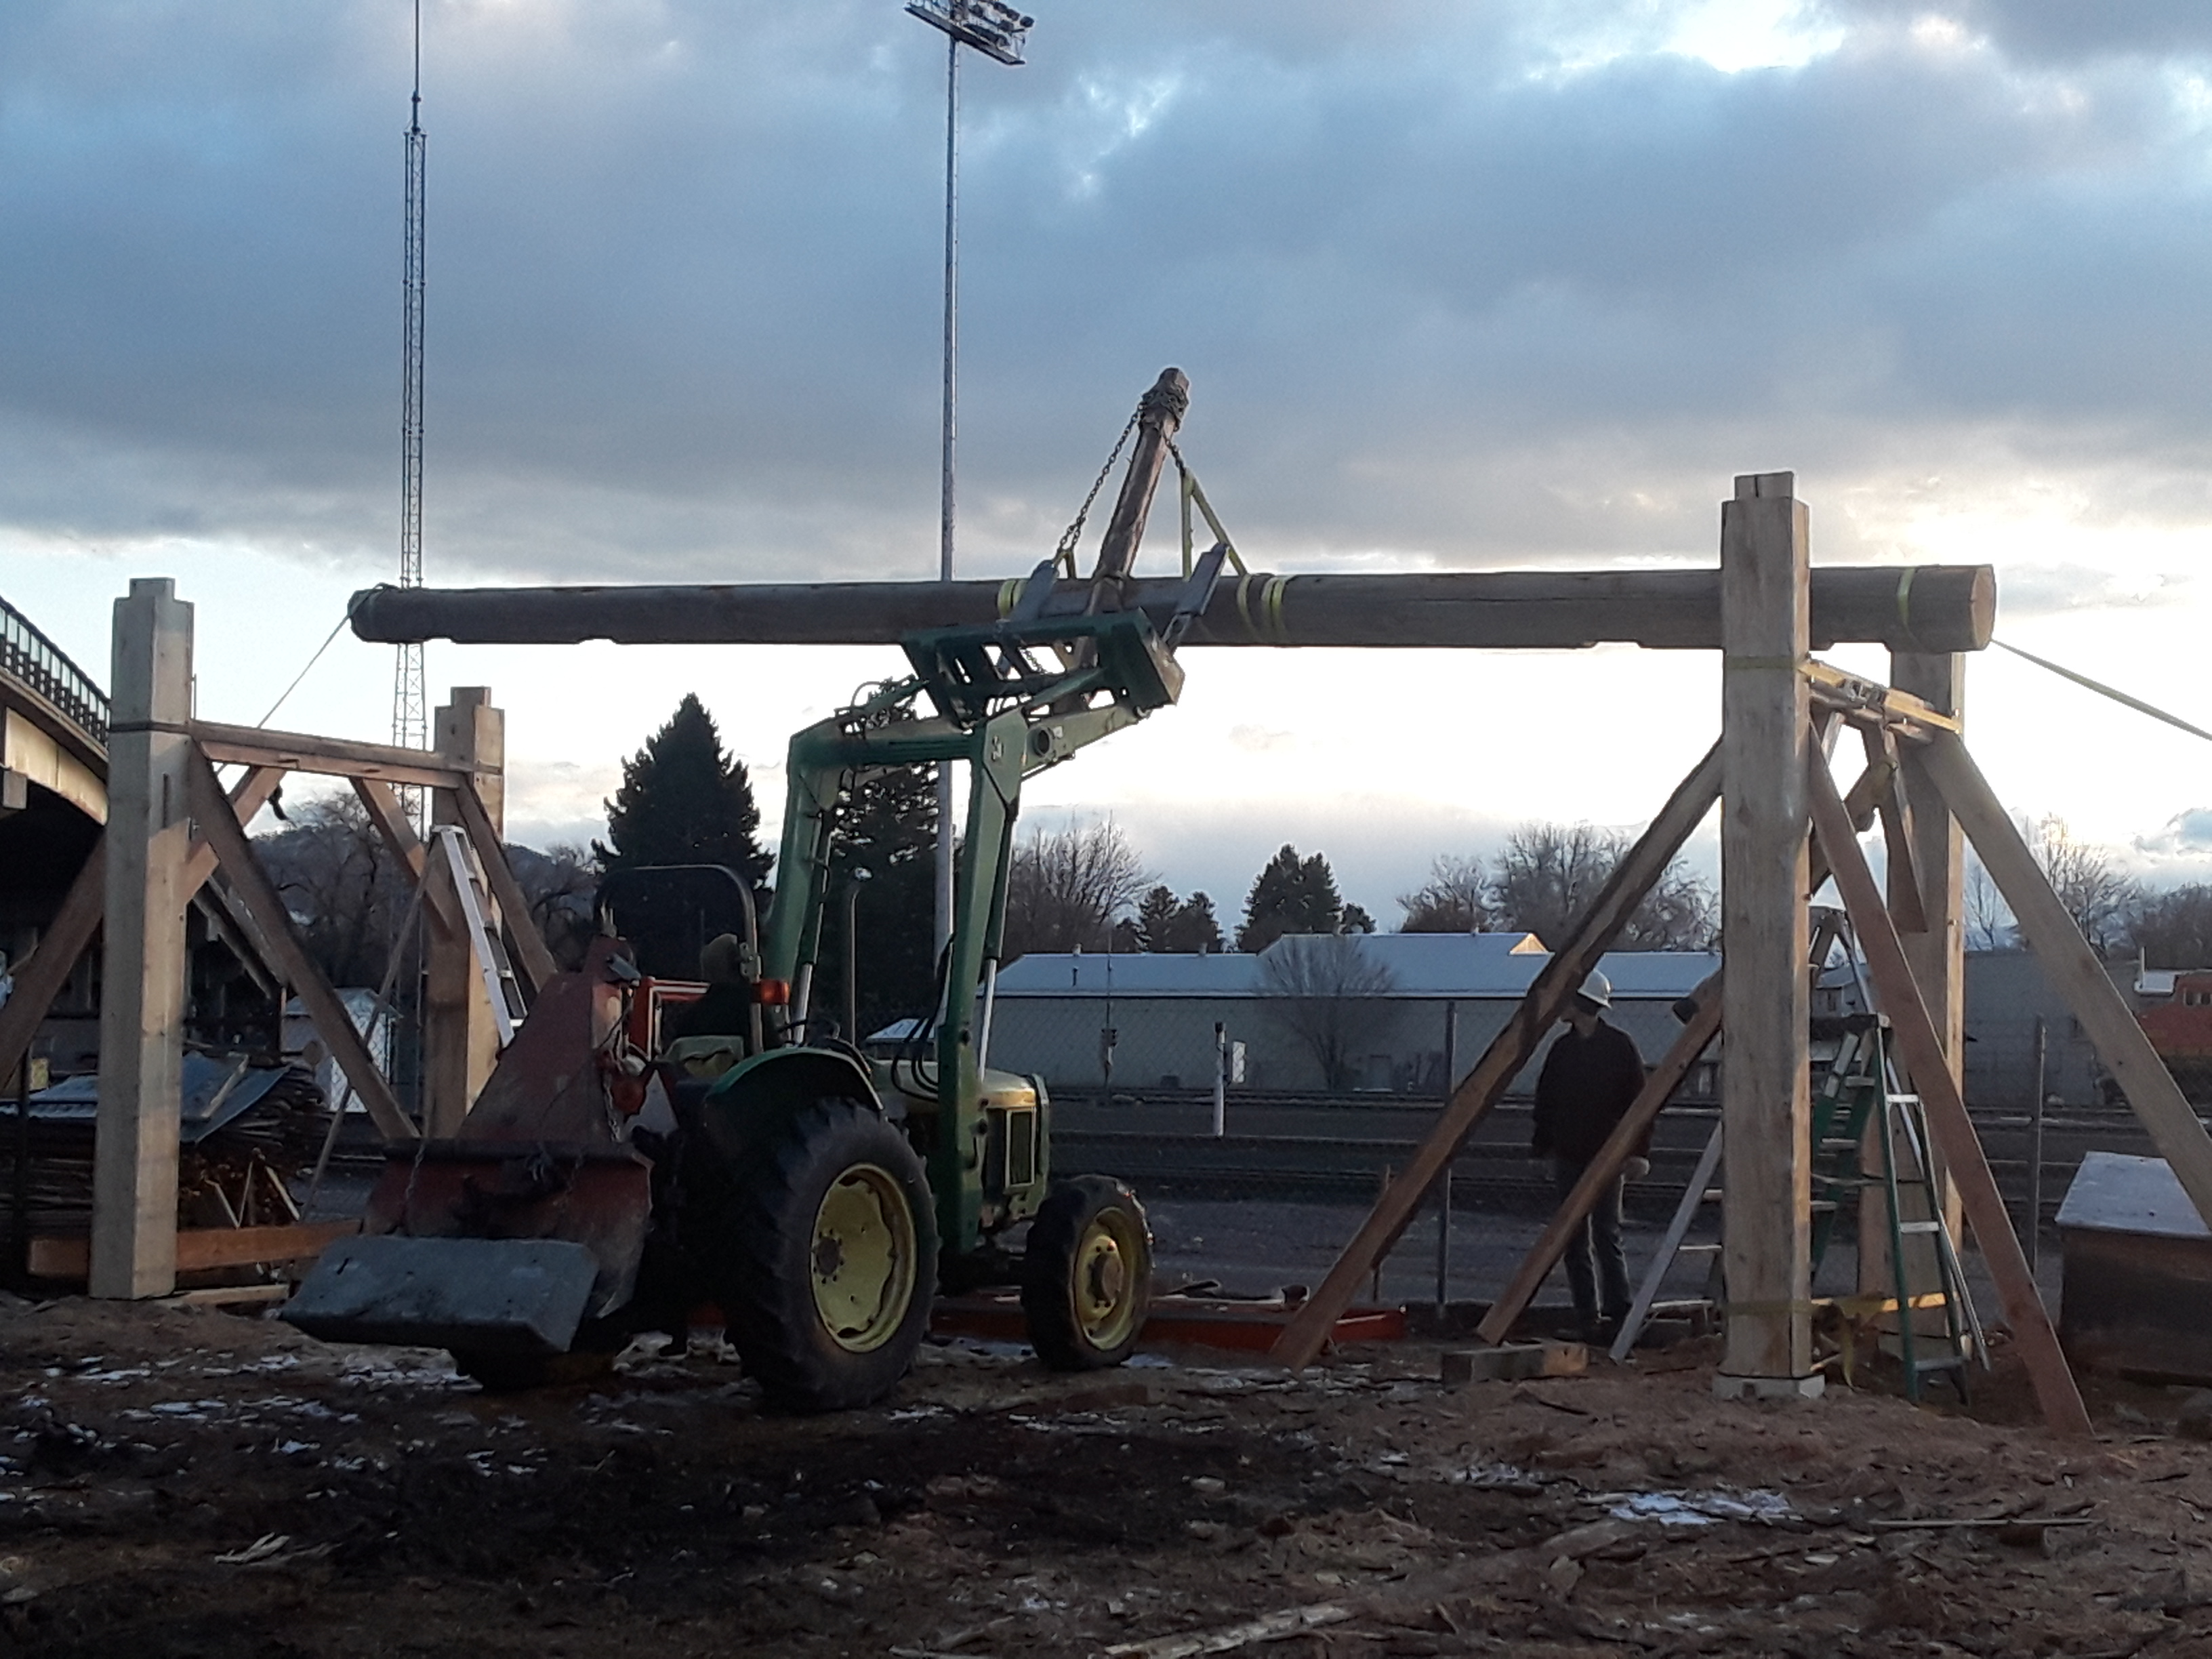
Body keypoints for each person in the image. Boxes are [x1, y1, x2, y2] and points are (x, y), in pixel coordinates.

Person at [1530, 970, 1650, 1340]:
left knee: (1605, 1233)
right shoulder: (1563, 1051)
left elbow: (1639, 1105)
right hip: (1570, 1155)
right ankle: (1589, 1317)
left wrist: (1637, 1153)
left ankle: (1618, 1315)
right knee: (1574, 1238)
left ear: (1580, 1002)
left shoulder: (1618, 1048)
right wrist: (1542, 1149)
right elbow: (1546, 1102)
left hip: (1607, 1158)